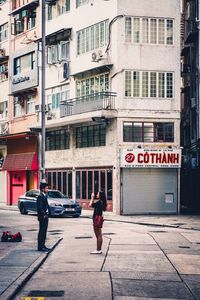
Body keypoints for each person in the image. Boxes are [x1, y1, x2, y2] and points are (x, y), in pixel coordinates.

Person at [37, 182, 50, 252]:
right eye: (47, 188)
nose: (48, 189)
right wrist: (44, 215)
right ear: (43, 189)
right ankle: (40, 247)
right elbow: (39, 207)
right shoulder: (40, 196)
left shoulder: (45, 196)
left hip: (45, 216)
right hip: (42, 217)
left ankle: (43, 245)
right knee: (42, 232)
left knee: (44, 232)